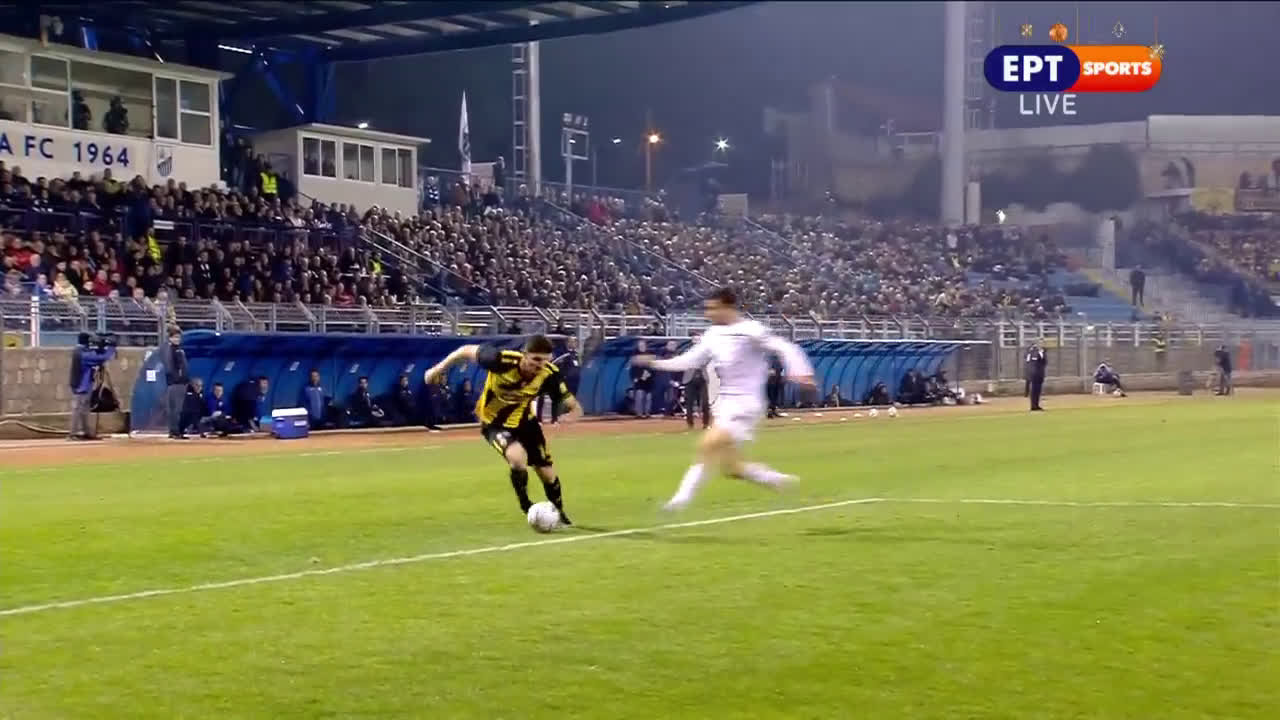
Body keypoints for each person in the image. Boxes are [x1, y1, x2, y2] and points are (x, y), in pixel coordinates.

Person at [631, 288, 815, 511]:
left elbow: (784, 347)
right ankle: (776, 479)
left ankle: (678, 502)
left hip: (746, 404)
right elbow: (690, 360)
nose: (708, 313)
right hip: (726, 404)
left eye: (713, 308)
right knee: (731, 468)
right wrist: (655, 363)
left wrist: (801, 372)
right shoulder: (713, 335)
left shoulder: (750, 330)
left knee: (707, 445)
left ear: (727, 307)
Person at [424, 335, 582, 524]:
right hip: (494, 423)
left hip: (526, 423)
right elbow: (464, 350)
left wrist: (571, 416)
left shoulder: (549, 375)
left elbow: (574, 405)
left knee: (547, 474)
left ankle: (559, 512)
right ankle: (526, 504)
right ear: (524, 355)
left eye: (545, 360)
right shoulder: (500, 360)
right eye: (536, 359)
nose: (540, 365)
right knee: (517, 458)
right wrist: (437, 369)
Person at [68, 332, 117, 441]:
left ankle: (86, 432)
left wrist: (101, 348)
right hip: (82, 385)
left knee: (84, 410)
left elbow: (96, 356)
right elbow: (101, 358)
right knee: (78, 409)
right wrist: (111, 348)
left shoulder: (79, 351)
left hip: (83, 384)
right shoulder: (83, 354)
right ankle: (73, 434)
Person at [160, 327, 189, 439]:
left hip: (173, 383)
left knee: (173, 409)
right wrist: (181, 378)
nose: (177, 339)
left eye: (178, 337)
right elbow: (181, 368)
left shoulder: (169, 350)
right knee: (176, 409)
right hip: (177, 383)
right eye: (175, 337)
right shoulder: (176, 351)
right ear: (170, 338)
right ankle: (176, 431)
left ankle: (174, 430)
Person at [1026, 342, 1047, 411]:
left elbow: (1044, 362)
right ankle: (1033, 406)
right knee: (1034, 390)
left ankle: (1036, 405)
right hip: (1034, 374)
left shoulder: (1043, 353)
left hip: (1040, 374)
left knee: (1038, 391)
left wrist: (1042, 353)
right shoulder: (1032, 353)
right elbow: (1032, 363)